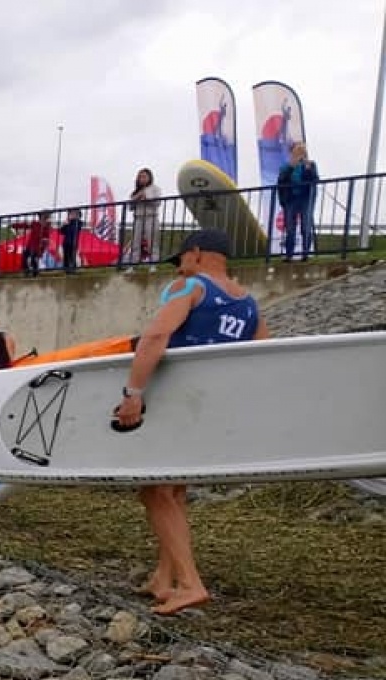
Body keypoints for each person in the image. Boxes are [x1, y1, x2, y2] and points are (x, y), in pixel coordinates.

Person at [112, 229, 269, 617]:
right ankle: (164, 579)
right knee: (174, 491)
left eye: (181, 259)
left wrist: (133, 393)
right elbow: (265, 358)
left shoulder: (191, 288)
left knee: (155, 492)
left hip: (179, 403)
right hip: (211, 408)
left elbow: (156, 336)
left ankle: (189, 583)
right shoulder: (248, 303)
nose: (178, 268)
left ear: (197, 253)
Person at [277, 142, 319, 261]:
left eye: (302, 151)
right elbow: (281, 181)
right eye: (297, 151)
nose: (300, 153)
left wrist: (308, 168)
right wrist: (291, 167)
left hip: (306, 199)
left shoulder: (311, 164)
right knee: (290, 227)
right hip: (291, 199)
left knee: (306, 225)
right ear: (292, 153)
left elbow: (315, 179)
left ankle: (305, 253)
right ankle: (289, 255)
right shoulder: (286, 166)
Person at [126, 168, 162, 265]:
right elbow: (130, 207)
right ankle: (133, 264)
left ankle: (153, 263)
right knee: (135, 241)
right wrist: (136, 198)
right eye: (140, 177)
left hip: (151, 217)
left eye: (144, 176)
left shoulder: (155, 189)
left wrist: (147, 198)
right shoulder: (136, 191)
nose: (142, 179)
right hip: (138, 217)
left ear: (149, 177)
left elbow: (158, 202)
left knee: (152, 241)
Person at [58, 210, 84, 274]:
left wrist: (72, 220)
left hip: (73, 243)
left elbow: (78, 227)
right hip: (66, 243)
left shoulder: (78, 223)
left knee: (72, 257)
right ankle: (66, 269)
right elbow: (61, 232)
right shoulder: (68, 223)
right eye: (70, 214)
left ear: (78, 215)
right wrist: (64, 224)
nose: (71, 215)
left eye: (73, 214)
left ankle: (73, 269)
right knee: (66, 257)